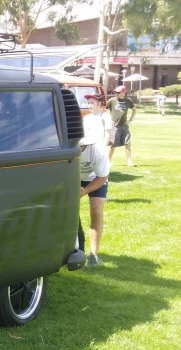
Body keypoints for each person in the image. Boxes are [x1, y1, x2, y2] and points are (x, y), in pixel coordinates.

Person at [77, 97, 112, 267]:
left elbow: (102, 177)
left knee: (96, 210)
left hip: (94, 178)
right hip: (74, 178)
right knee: (68, 212)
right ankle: (74, 248)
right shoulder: (67, 151)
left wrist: (85, 190)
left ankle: (93, 255)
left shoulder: (98, 152)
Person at [106, 85, 136, 167]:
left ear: (124, 92)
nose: (116, 94)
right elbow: (104, 109)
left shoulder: (128, 100)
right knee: (112, 145)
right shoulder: (112, 100)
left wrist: (130, 120)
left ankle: (129, 161)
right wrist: (109, 119)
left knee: (127, 143)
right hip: (114, 126)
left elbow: (134, 110)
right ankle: (108, 161)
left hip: (124, 126)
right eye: (115, 92)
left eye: (118, 92)